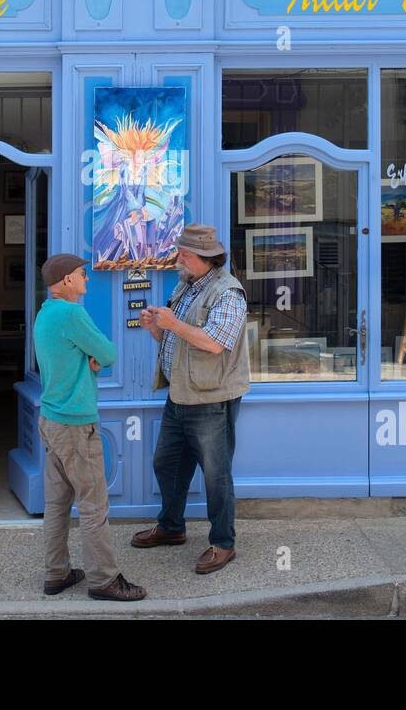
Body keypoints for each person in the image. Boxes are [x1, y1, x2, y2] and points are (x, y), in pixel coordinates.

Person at [134, 224, 249, 574]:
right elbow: (177, 342)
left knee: (216, 476)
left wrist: (172, 324)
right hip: (179, 394)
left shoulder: (228, 292)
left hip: (210, 399)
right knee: (166, 465)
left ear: (206, 258)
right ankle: (171, 527)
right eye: (179, 252)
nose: (179, 259)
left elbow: (214, 343)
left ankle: (223, 543)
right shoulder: (186, 285)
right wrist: (156, 327)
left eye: (185, 254)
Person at [32, 253, 146, 602]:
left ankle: (57, 573)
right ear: (66, 280)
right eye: (82, 275)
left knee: (57, 504)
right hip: (75, 423)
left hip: (50, 418)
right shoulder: (71, 313)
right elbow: (109, 353)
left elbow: (77, 355)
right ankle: (104, 580)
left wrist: (86, 357)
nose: (86, 280)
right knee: (94, 505)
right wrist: (93, 358)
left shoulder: (45, 314)